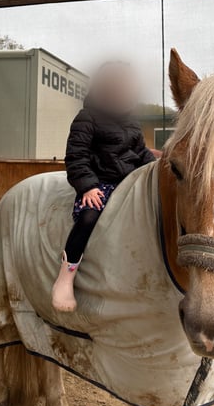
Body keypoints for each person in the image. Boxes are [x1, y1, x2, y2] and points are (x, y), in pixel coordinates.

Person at [51, 62, 157, 312]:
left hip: (129, 183)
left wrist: (156, 172)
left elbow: (141, 153)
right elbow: (76, 156)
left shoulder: (131, 121)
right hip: (100, 185)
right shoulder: (87, 118)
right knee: (88, 217)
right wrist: (87, 187)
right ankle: (66, 277)